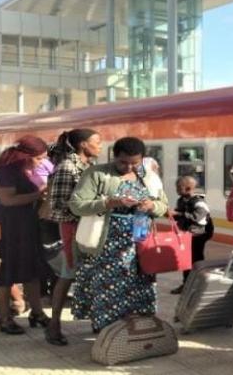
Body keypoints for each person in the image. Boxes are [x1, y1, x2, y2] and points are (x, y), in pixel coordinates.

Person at [69, 137, 168, 333]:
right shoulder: (97, 174)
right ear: (114, 157)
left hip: (139, 243)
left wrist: (152, 206)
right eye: (123, 162)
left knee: (140, 286)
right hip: (106, 243)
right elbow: (76, 205)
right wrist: (109, 203)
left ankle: (136, 330)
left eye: (135, 163)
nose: (129, 167)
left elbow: (163, 205)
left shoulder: (149, 176)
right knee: (108, 288)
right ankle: (108, 333)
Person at [45, 128, 102, 345]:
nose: (101, 146)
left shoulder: (89, 166)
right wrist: (89, 209)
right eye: (97, 142)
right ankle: (54, 325)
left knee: (91, 272)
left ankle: (97, 318)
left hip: (90, 228)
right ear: (84, 145)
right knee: (68, 274)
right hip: (73, 228)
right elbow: (58, 206)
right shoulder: (67, 167)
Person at [0, 136, 50, 335]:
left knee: (32, 268)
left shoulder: (32, 167)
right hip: (8, 224)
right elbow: (7, 200)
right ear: (26, 155)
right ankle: (5, 318)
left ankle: (37, 313)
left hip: (28, 222)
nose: (43, 161)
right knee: (5, 270)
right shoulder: (7, 170)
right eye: (39, 158)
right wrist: (39, 194)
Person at [170, 175, 214, 294]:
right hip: (187, 235)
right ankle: (187, 284)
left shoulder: (199, 202)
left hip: (198, 235)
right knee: (186, 260)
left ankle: (198, 285)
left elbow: (200, 217)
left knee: (196, 260)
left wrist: (179, 214)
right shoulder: (182, 200)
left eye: (179, 187)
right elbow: (181, 213)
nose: (176, 189)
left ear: (188, 188)